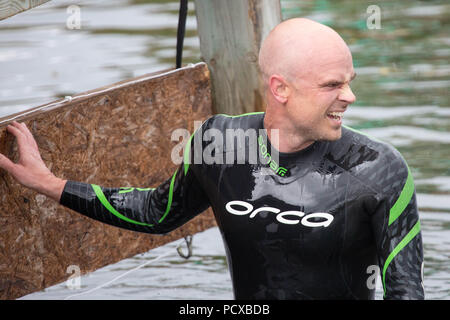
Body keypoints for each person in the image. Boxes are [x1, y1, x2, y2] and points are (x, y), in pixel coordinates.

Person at [0, 18, 424, 300]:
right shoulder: (219, 144)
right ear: (281, 89)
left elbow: (405, 291)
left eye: (349, 82)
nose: (349, 97)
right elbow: (155, 213)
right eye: (333, 85)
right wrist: (50, 184)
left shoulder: (378, 170)